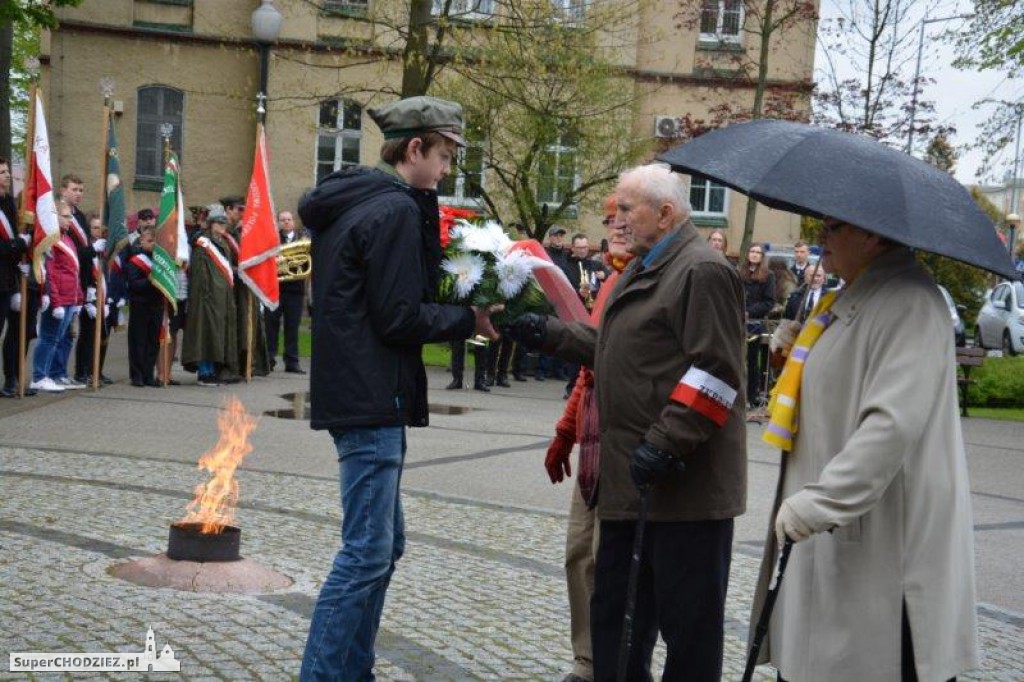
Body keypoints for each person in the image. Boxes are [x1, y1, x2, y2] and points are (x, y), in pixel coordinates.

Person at [508, 164, 746, 681]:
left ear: (664, 214)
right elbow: (619, 351)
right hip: (628, 485)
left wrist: (664, 443)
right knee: (615, 626)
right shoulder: (641, 266)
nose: (615, 218)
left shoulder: (701, 271)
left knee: (689, 637)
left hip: (684, 493)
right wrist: (546, 333)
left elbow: (718, 371)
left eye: (625, 209)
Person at [298, 95, 499, 681]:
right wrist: (469, 320)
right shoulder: (391, 212)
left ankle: (350, 670)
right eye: (441, 157)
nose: (445, 171)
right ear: (414, 149)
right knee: (365, 553)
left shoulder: (370, 202)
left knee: (384, 548)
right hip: (370, 397)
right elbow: (399, 316)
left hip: (364, 392)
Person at [754, 217, 979, 681]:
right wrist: (800, 349)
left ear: (873, 235)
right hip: (837, 537)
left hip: (881, 546)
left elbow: (890, 426)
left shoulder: (909, 302)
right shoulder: (853, 295)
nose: (821, 238)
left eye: (834, 227)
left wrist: (820, 502)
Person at [544, 195, 634, 682]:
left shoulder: (645, 278)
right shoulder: (611, 278)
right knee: (579, 552)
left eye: (626, 216)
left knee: (610, 559)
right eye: (610, 219)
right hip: (594, 439)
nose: (616, 226)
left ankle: (613, 662)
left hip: (627, 440)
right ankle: (588, 660)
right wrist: (565, 431)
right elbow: (589, 364)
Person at [181, 204, 239, 387]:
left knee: (218, 334)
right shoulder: (202, 245)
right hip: (206, 298)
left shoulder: (224, 244)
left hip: (223, 298)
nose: (223, 226)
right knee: (205, 334)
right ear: (211, 223)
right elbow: (199, 275)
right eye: (219, 223)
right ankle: (204, 372)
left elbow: (227, 270)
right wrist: (205, 296)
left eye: (224, 223)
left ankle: (215, 369)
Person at [30, 200, 85, 393]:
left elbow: (74, 271)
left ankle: (51, 374)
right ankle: (39, 376)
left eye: (71, 216)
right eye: (66, 216)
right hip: (58, 298)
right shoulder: (51, 240)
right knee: (48, 338)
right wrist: (56, 301)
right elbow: (50, 273)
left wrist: (78, 298)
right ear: (55, 216)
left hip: (70, 297)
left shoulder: (68, 239)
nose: (71, 220)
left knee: (58, 338)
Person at [222, 194, 271, 378]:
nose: (242, 213)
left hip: (245, 285)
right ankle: (233, 365)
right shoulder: (223, 230)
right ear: (228, 210)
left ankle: (249, 364)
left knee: (248, 322)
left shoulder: (244, 230)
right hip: (230, 284)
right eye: (239, 209)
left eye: (244, 209)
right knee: (234, 324)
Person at [0, 157, 31, 397]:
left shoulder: (10, 203)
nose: (7, 176)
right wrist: (20, 243)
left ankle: (13, 379)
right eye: (2, 172)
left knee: (17, 332)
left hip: (11, 279)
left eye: (8, 172)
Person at [263, 210, 307, 374]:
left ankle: (292, 362)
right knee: (271, 325)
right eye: (283, 220)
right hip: (275, 289)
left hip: (295, 290)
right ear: (279, 223)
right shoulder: (273, 240)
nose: (286, 222)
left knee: (292, 326)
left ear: (293, 222)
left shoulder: (302, 240)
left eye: (289, 219)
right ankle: (269, 358)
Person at [124, 227, 165, 387]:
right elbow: (133, 285)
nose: (153, 244)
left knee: (153, 341)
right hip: (140, 304)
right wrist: (150, 280)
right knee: (138, 341)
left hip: (157, 304)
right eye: (149, 241)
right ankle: (137, 375)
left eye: (155, 241)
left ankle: (149, 374)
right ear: (141, 242)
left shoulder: (159, 260)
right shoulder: (136, 261)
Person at [740, 242, 776, 406]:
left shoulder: (768, 275)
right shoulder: (739, 272)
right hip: (737, 321)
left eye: (757, 252)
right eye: (752, 251)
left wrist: (750, 311)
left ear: (762, 257)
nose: (754, 254)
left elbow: (769, 302)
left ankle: (750, 396)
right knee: (738, 360)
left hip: (754, 324)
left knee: (753, 361)